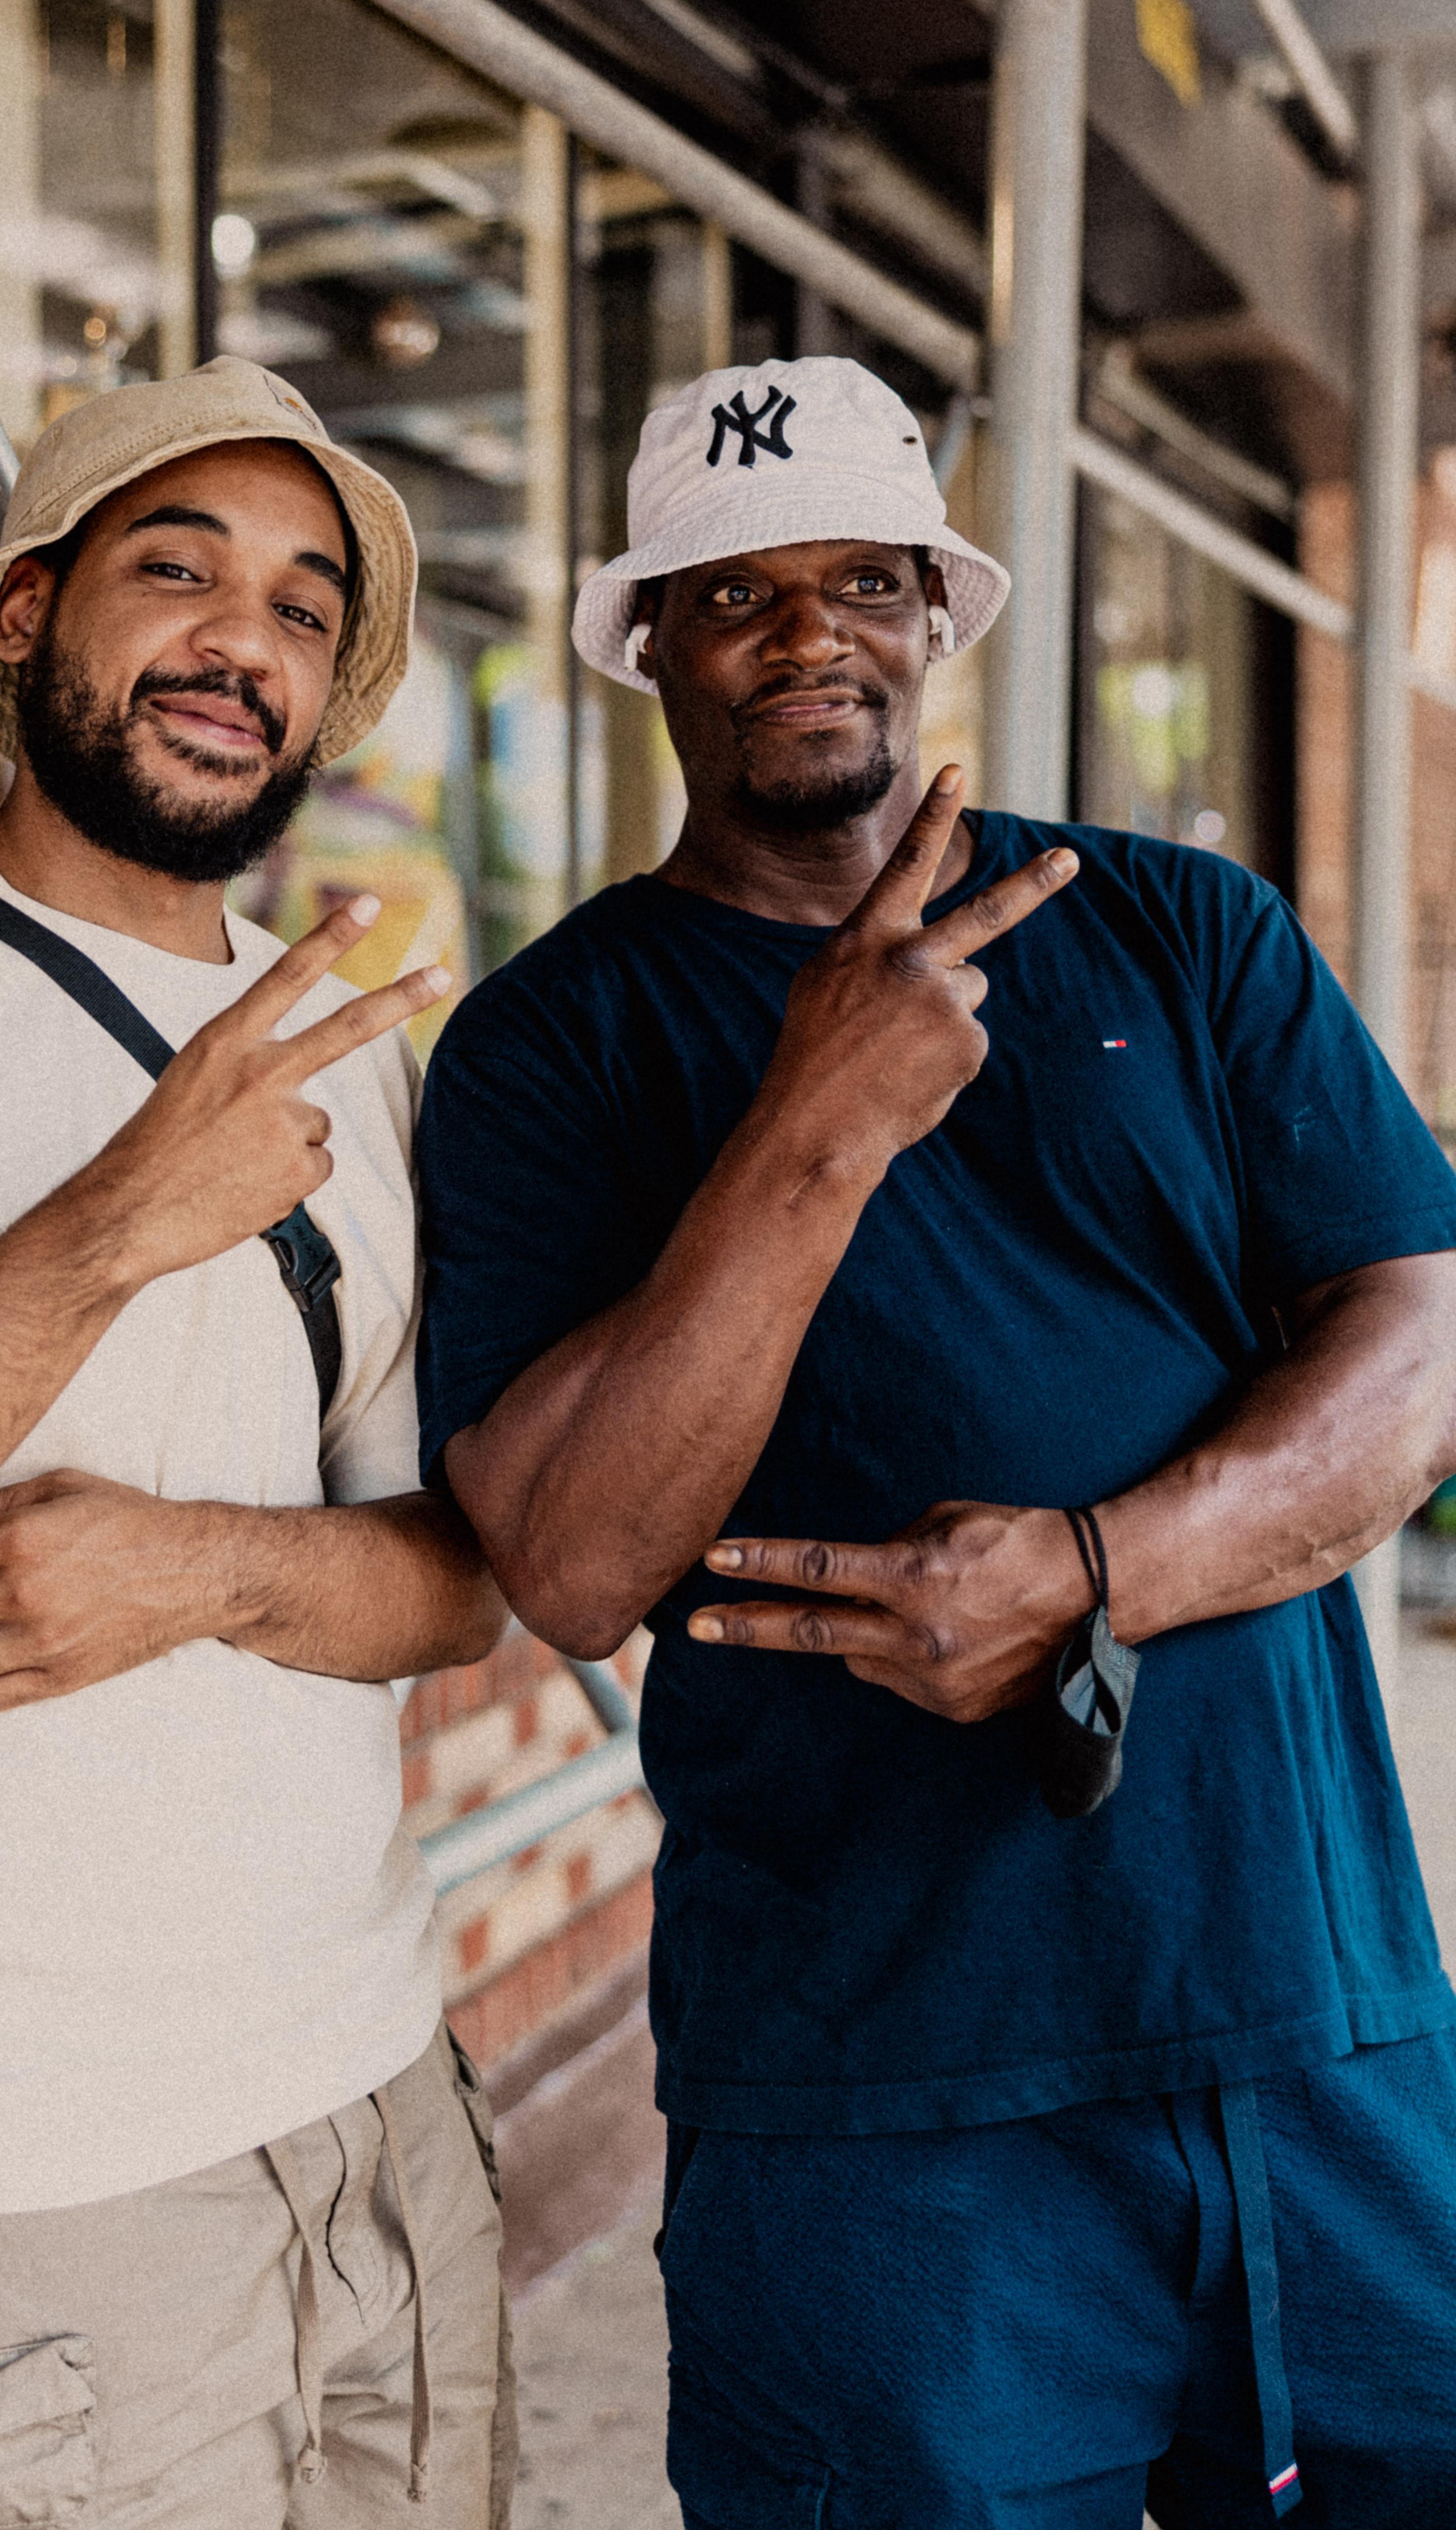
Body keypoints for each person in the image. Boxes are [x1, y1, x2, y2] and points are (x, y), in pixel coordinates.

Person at [415, 353, 1456, 2530]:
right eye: (741, 595)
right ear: (650, 651)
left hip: (1309, 2014)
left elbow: (1418, 1346)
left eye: (865, 582)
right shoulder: (553, 1045)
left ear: (938, 618)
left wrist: (1088, 1574)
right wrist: (819, 1118)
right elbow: (576, 1564)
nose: (813, 633)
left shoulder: (1181, 934)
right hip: (877, 2087)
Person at [0, 356, 514, 2530]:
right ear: (27, 615)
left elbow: (452, 1580)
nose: (248, 639)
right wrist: (124, 1220)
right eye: (179, 569)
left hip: (373, 2109)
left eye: (308, 609)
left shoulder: (348, 1065)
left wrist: (202, 1567)